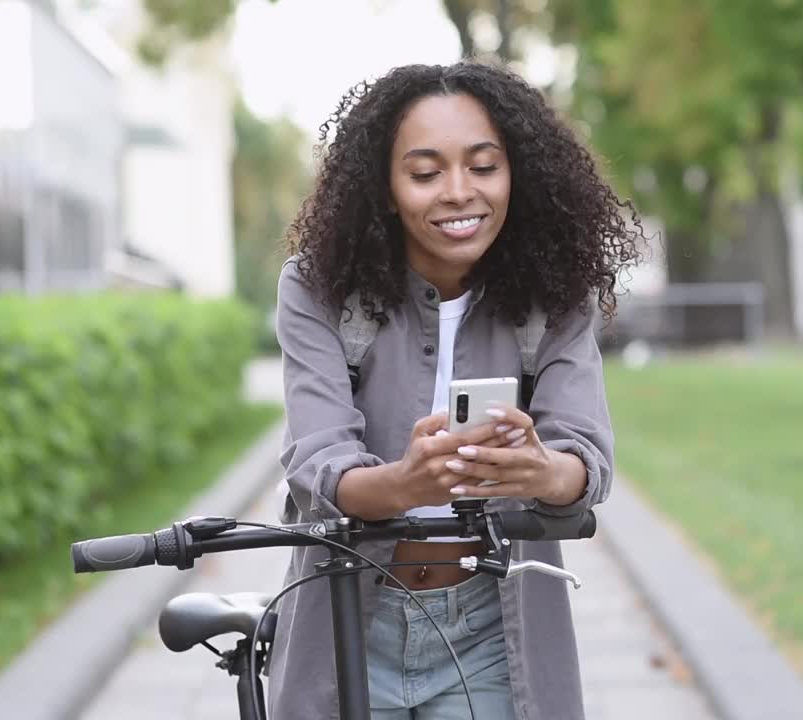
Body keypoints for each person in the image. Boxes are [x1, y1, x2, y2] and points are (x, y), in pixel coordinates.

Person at [268, 60, 645, 719]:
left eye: (483, 166)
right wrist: (408, 484)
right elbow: (317, 466)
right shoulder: (317, 287)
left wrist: (539, 470)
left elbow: (585, 461)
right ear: (385, 188)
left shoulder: (553, 296)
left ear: (515, 174)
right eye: (424, 172)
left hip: (490, 629)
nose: (458, 192)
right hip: (353, 615)